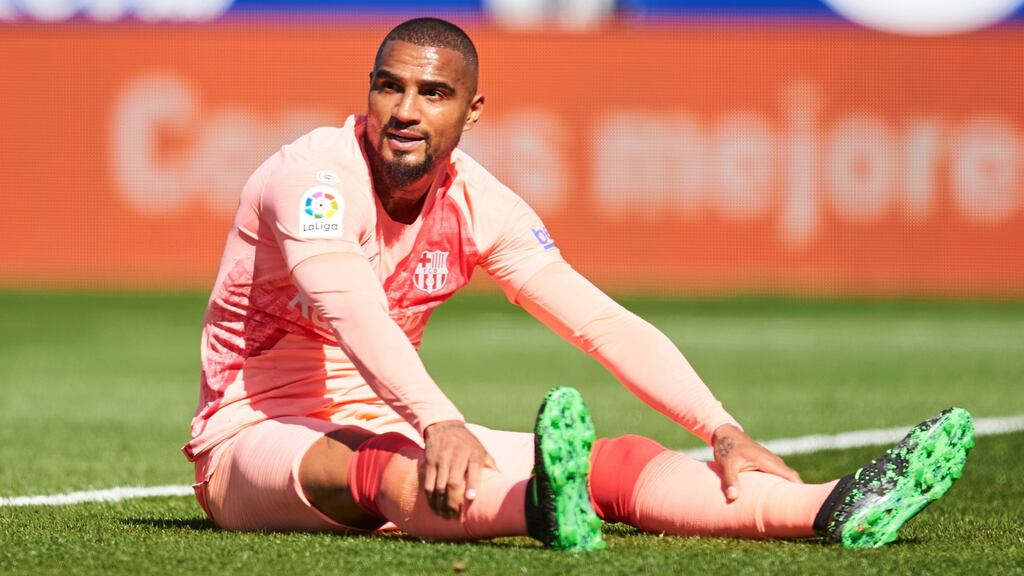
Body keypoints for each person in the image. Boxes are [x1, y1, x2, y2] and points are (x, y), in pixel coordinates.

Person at [183, 17, 974, 550]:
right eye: (390, 87)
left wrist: (721, 427)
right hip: (247, 442)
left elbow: (596, 320)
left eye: (434, 94)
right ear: (368, 90)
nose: (405, 111)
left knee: (615, 460)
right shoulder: (312, 175)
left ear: (473, 110)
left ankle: (830, 507)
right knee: (382, 470)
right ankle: (536, 507)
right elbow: (348, 307)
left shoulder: (478, 203)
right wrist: (440, 420)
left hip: (395, 422)